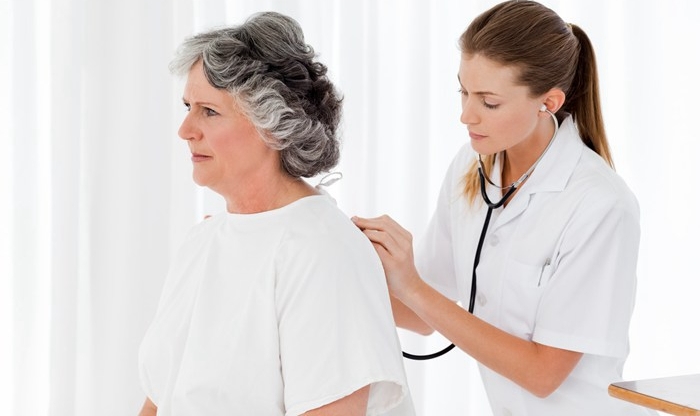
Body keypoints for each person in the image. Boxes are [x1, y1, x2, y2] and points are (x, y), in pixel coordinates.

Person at [352, 1, 655, 415]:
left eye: (489, 103)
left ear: (549, 102)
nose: (466, 115)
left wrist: (412, 287)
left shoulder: (600, 205)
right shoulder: (471, 167)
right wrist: (331, 271)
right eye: (463, 91)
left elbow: (542, 374)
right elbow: (423, 314)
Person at [137, 11, 413, 416]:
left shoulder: (322, 251)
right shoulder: (201, 243)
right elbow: (161, 399)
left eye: (209, 111)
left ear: (273, 123)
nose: (185, 130)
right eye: (187, 107)